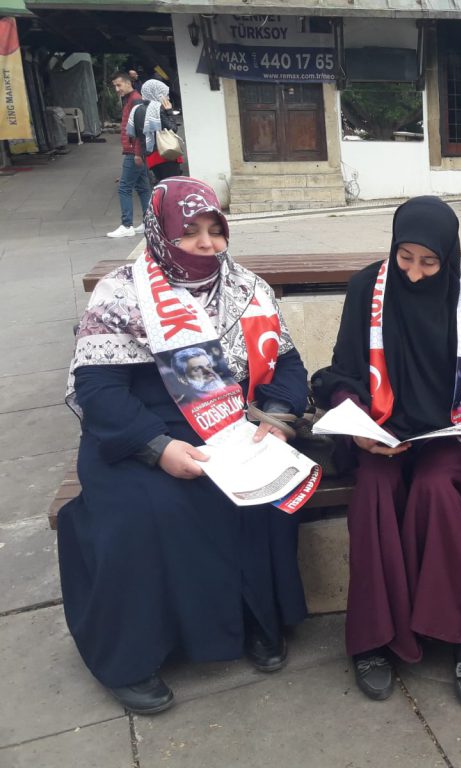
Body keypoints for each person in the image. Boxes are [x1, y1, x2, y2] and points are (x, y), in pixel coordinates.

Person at [59, 177, 310, 715]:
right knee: (149, 510)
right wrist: (157, 448)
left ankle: (256, 621)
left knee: (268, 494)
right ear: (159, 233)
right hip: (140, 434)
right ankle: (132, 657)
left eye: (214, 230)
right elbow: (98, 388)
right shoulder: (122, 292)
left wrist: (279, 418)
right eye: (189, 232)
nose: (206, 243)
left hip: (231, 428)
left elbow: (287, 364)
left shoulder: (247, 288)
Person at [310, 196, 461, 708]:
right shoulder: (367, 287)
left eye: (429, 262)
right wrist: (356, 422)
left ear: (449, 254)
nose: (416, 273)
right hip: (382, 433)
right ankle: (372, 638)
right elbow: (344, 372)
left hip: (449, 432)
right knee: (374, 490)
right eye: (405, 258)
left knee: (435, 490)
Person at [107, 71, 150, 238]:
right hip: (136, 151)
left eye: (119, 85)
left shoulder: (135, 100)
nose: (117, 89)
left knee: (124, 188)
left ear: (127, 83)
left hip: (134, 151)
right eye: (115, 86)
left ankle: (127, 225)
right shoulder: (131, 99)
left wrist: (137, 153)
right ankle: (148, 223)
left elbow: (140, 130)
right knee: (143, 188)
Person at [129, 78, 184, 182]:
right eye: (164, 94)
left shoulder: (137, 109)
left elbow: (136, 134)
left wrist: (138, 154)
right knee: (172, 185)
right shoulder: (157, 110)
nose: (167, 97)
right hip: (165, 153)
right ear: (156, 94)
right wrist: (169, 111)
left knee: (161, 184)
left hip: (151, 155)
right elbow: (173, 128)